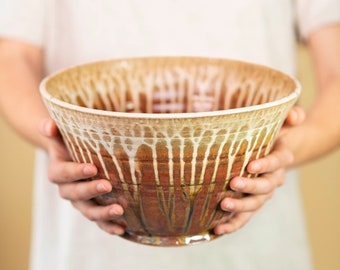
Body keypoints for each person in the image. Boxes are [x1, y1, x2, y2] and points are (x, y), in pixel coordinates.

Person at [0, 1, 339, 269]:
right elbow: (12, 55)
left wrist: (282, 153)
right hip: (87, 243)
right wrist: (58, 138)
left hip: (259, 246)